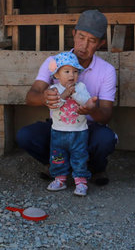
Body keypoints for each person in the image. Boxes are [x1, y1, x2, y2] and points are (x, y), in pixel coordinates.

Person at [17, 9, 117, 186]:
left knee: (106, 139)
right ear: (73, 34)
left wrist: (92, 110)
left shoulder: (106, 70)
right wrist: (44, 98)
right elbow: (30, 97)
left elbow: (107, 114)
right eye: (80, 37)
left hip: (87, 128)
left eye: (91, 41)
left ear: (101, 43)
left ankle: (96, 168)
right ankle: (56, 165)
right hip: (59, 126)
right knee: (25, 136)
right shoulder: (53, 62)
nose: (83, 45)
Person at [45, 52, 96, 196]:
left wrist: (74, 94)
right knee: (58, 156)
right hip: (58, 131)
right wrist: (65, 95)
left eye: (75, 71)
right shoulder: (52, 90)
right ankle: (60, 179)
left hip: (79, 131)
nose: (71, 75)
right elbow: (53, 106)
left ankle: (80, 182)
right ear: (57, 75)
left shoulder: (80, 87)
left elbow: (85, 102)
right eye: (66, 71)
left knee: (79, 156)